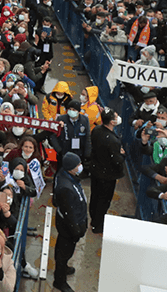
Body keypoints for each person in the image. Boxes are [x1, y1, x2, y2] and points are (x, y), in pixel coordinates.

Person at [53, 152, 88, 292]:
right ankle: (59, 281)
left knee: (64, 251)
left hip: (69, 223)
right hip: (68, 228)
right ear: (70, 168)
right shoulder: (65, 187)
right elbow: (70, 214)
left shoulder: (65, 175)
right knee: (63, 252)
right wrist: (77, 231)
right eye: (77, 165)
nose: (80, 167)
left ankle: (63, 267)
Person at [88, 108, 126, 234]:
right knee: (103, 201)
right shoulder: (112, 140)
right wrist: (122, 155)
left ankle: (93, 219)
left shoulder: (97, 130)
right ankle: (98, 225)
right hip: (107, 176)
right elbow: (116, 160)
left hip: (96, 170)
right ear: (112, 122)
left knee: (95, 196)